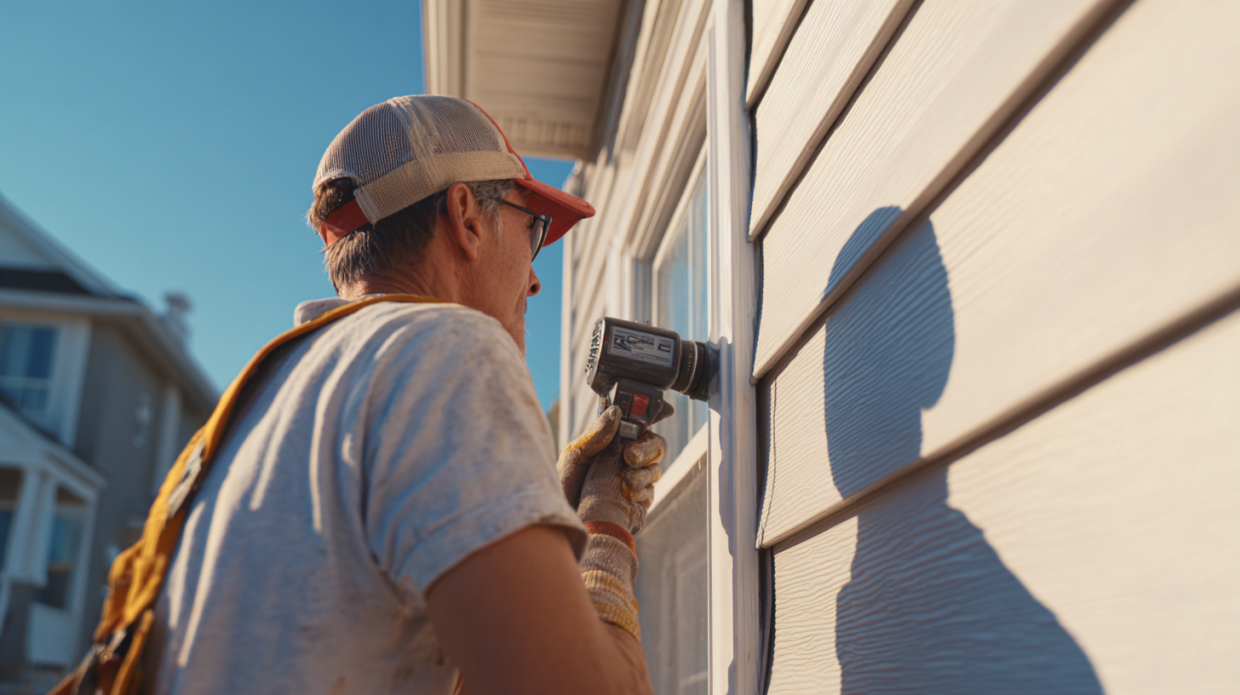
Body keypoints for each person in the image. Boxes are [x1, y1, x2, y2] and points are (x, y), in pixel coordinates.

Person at [106, 96, 665, 695]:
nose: (533, 277)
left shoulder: (265, 401)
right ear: (467, 217)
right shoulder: (448, 349)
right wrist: (606, 533)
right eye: (533, 229)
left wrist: (535, 514)